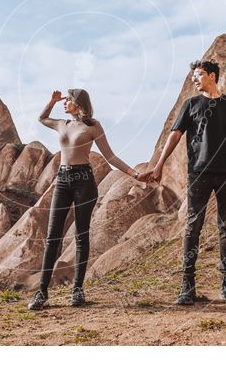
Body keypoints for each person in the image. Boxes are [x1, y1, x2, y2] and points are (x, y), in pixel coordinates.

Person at [138, 59, 226, 305]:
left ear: (212, 76)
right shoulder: (190, 104)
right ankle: (187, 287)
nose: (194, 79)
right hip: (199, 173)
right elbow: (174, 136)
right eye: (193, 75)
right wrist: (159, 165)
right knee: (193, 227)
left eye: (199, 74)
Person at [28, 88, 142, 310]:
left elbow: (109, 156)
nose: (65, 103)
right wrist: (51, 102)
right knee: (53, 237)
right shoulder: (62, 124)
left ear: (79, 103)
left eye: (68, 100)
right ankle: (42, 292)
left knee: (81, 235)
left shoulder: (93, 126)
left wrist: (135, 174)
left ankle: (77, 290)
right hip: (62, 180)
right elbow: (42, 119)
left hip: (84, 182)